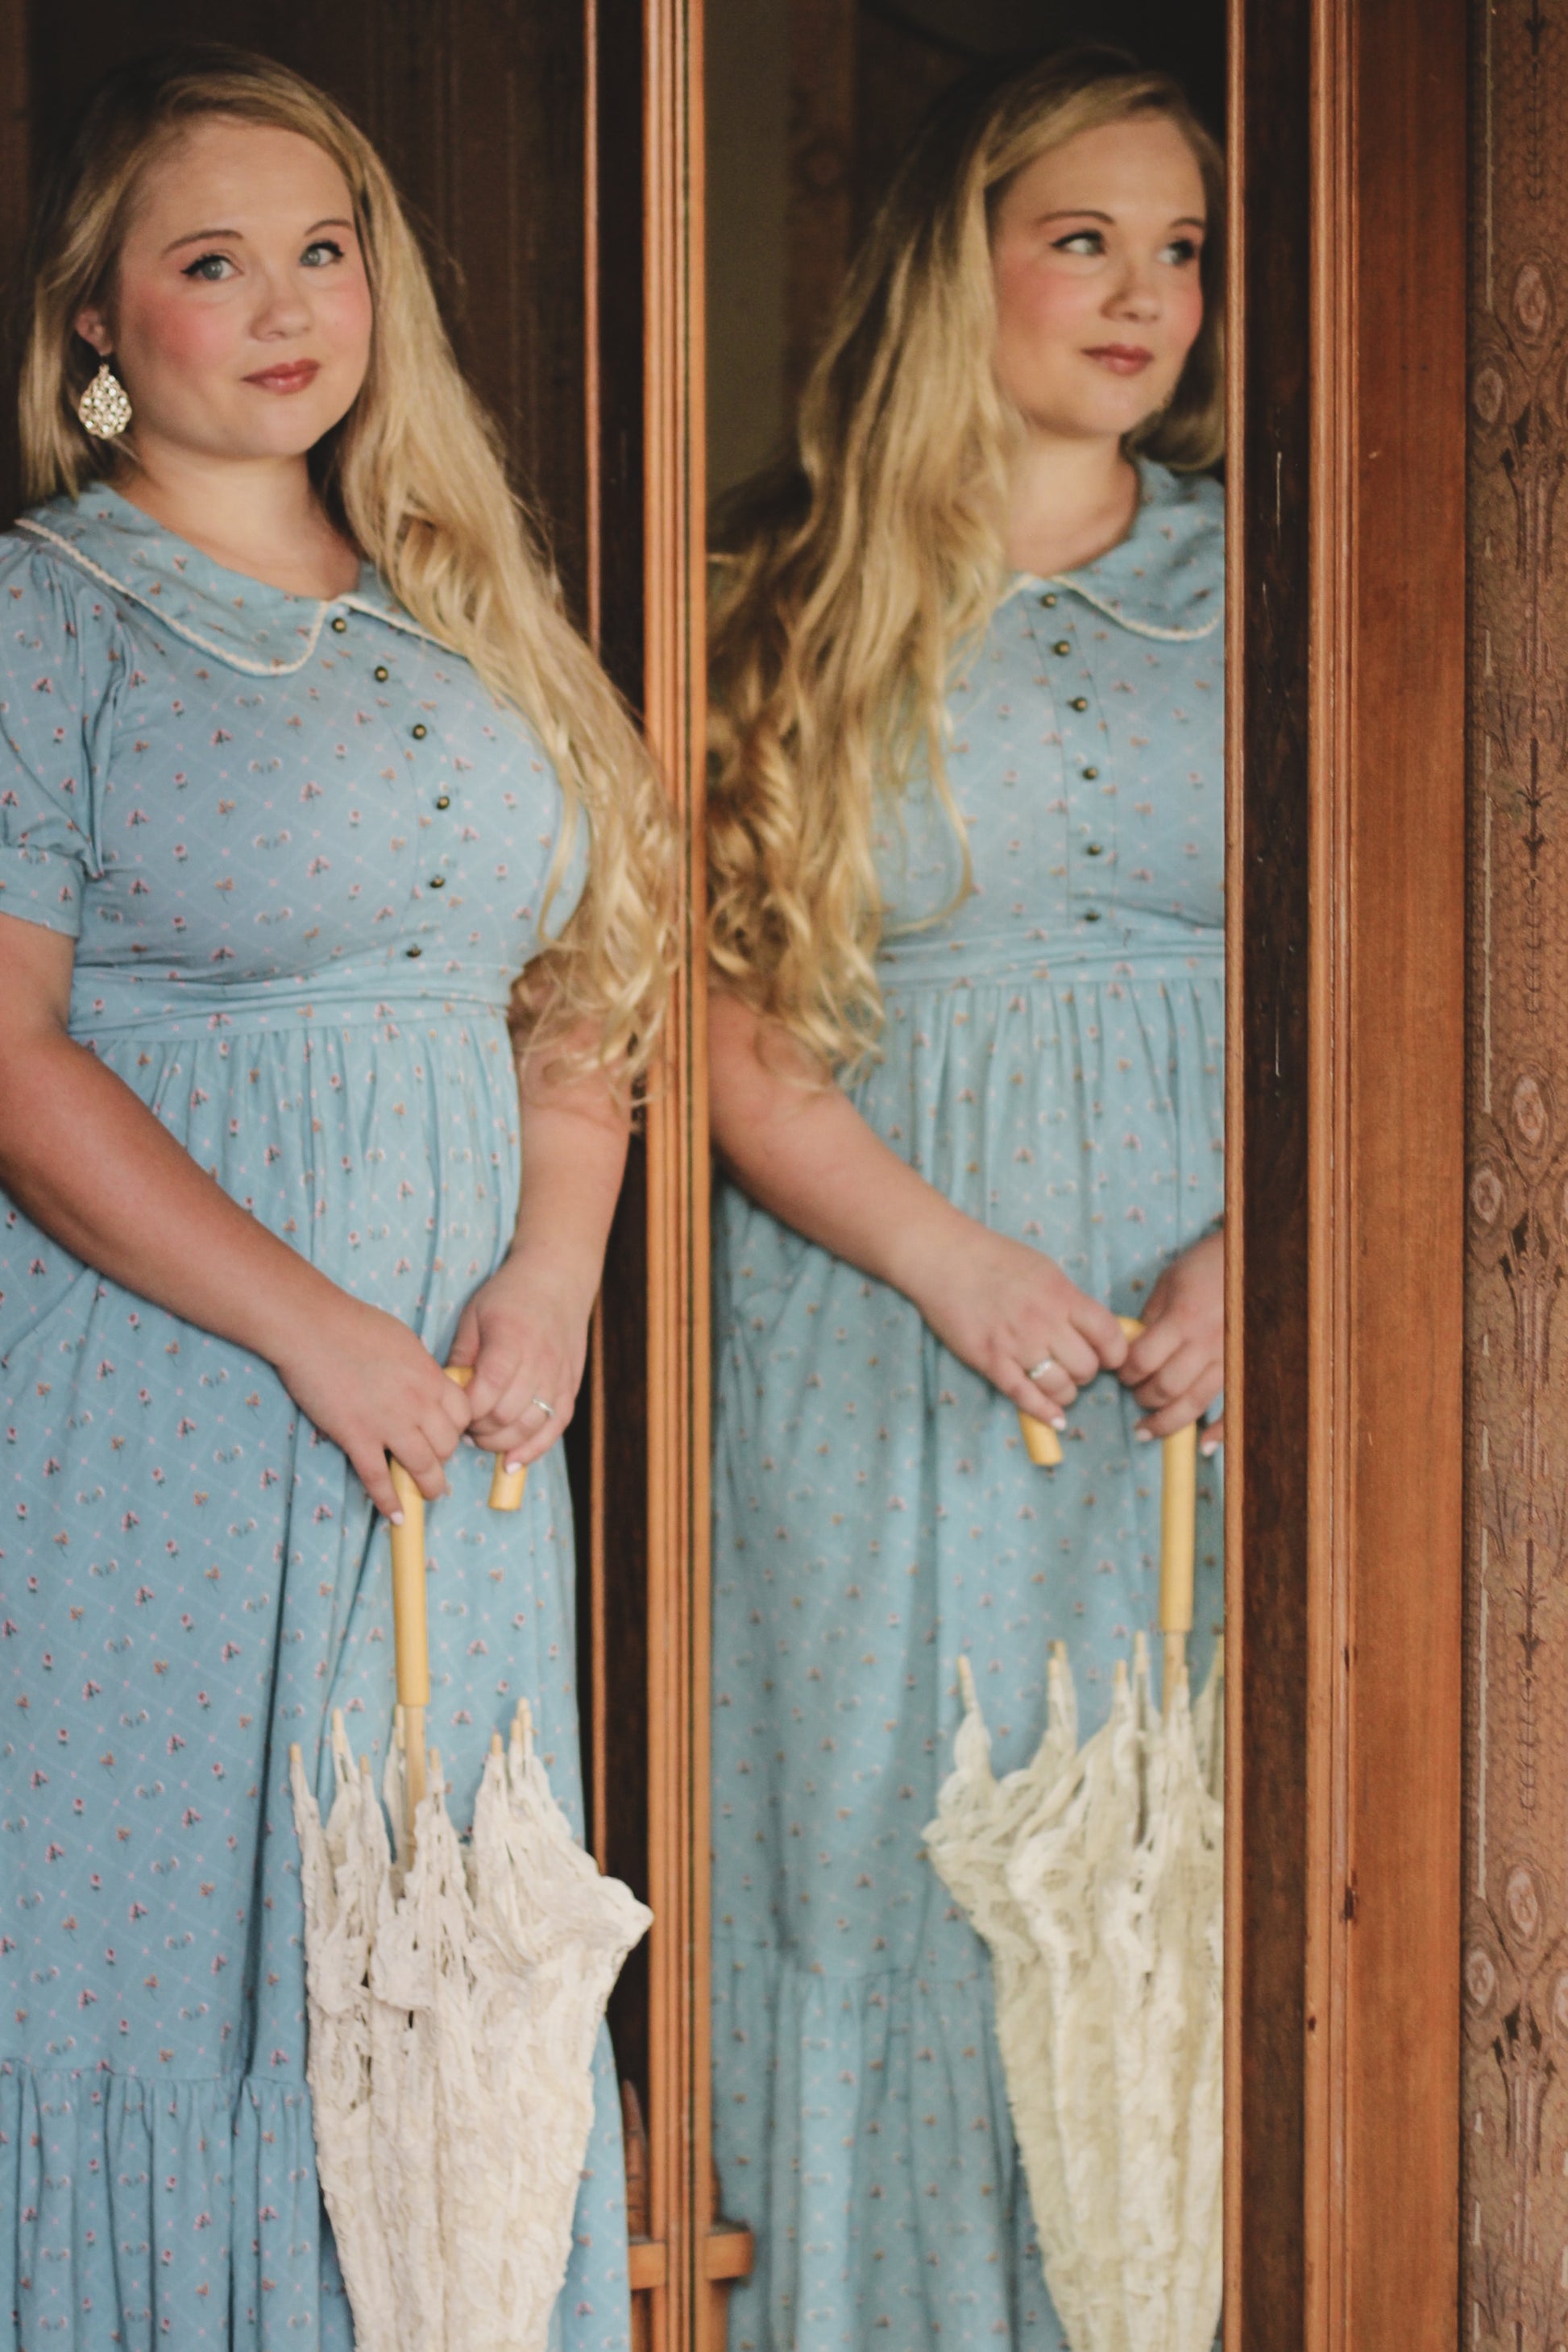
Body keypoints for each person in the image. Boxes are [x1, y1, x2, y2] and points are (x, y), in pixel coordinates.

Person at [0, 45, 671, 2352]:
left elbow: (584, 991)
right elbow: (11, 1061)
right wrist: (312, 1328)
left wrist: (553, 1278)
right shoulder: (44, 615)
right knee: (176, 1968)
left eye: (326, 248)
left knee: (428, 1990)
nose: (288, 305)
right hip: (159, 1408)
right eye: (215, 262)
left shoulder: (466, 604)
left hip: (452, 1434)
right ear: (98, 322)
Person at [706, 48, 1225, 2350]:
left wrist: (1271, 1254)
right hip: (886, 1321)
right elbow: (724, 1028)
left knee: (1176, 1872)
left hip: (1212, 1336)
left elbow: (1414, 970)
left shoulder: (1285, 576)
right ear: (957, 260)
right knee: (890, 1848)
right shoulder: (789, 590)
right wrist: (947, 1262)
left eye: (1179, 249)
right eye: (1081, 239)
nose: (1141, 296)